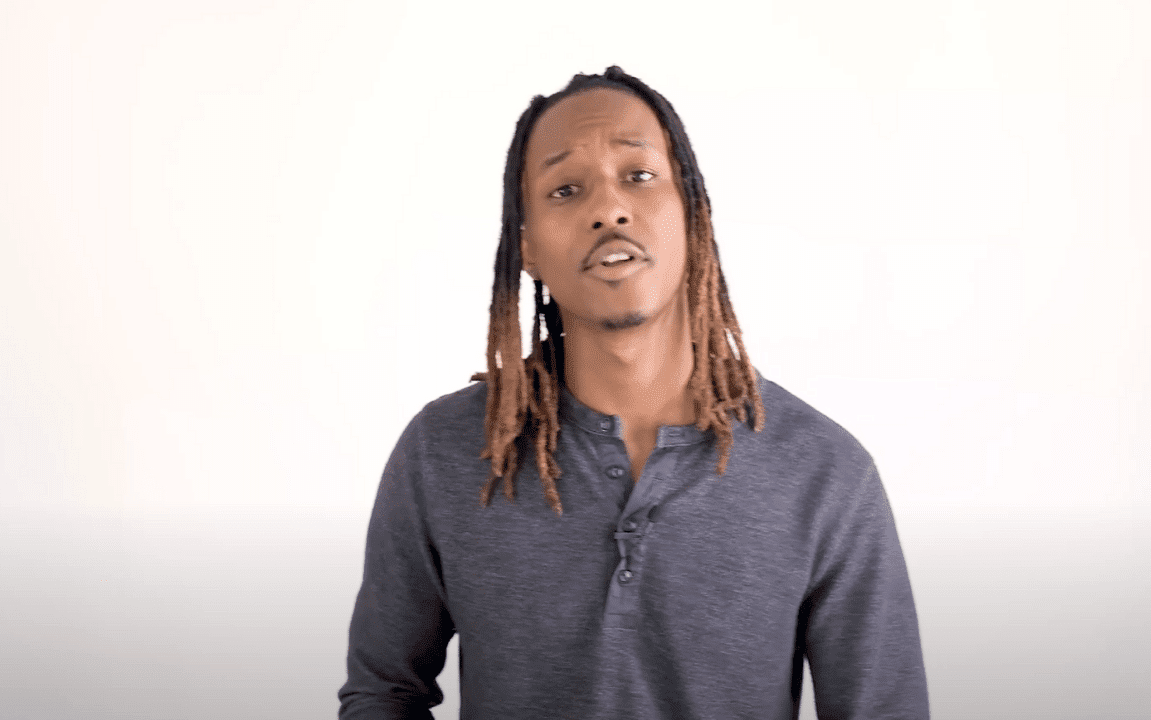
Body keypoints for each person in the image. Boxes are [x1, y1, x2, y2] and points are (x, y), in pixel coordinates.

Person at [338, 66, 929, 719]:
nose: (608, 208)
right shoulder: (443, 453)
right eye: (565, 189)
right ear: (528, 247)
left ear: (692, 213)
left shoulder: (825, 474)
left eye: (639, 176)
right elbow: (384, 694)